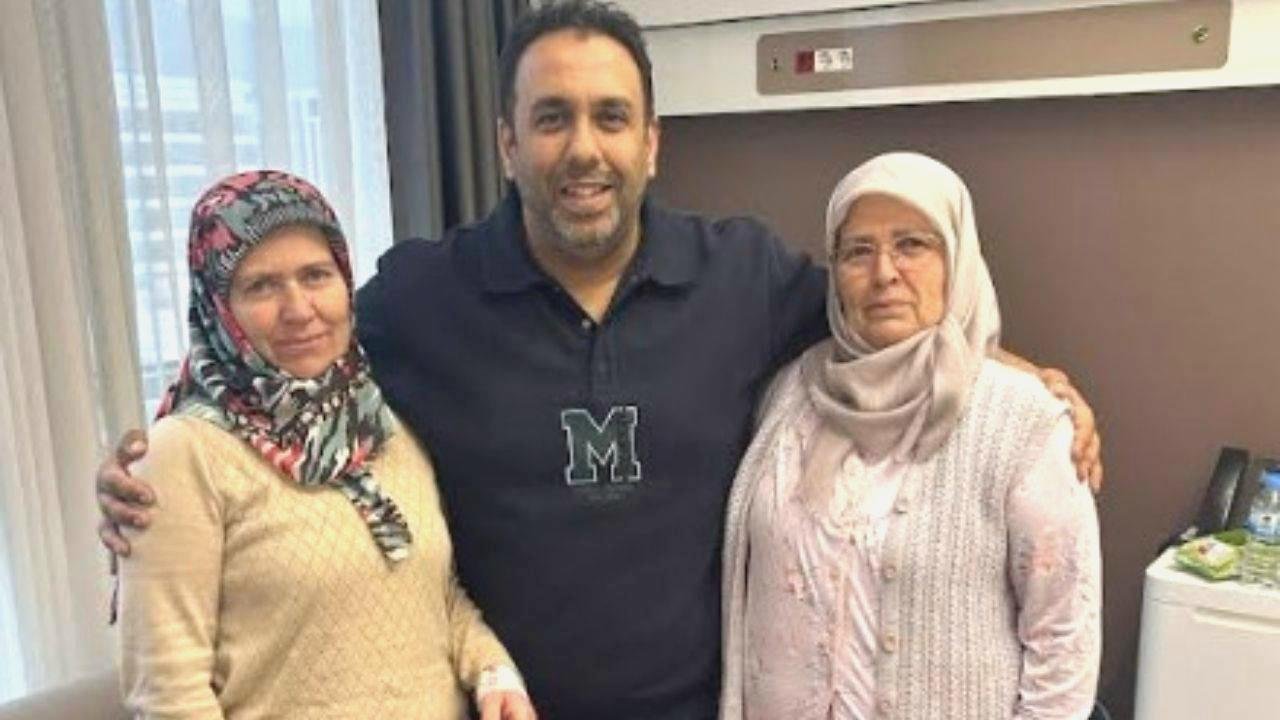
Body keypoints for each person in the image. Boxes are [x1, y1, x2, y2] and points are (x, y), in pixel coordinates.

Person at [98, 3, 1102, 718]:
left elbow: (889, 322)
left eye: (610, 117)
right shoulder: (421, 298)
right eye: (552, 118)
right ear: (507, 142)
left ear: (651, 142)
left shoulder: (741, 277)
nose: (584, 147)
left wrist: (1028, 384)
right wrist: (151, 470)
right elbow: (282, 359)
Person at [114, 170, 535, 720]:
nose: (298, 308)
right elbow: (168, 693)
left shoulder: (385, 426)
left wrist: (494, 673)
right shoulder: (183, 454)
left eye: (316, 275)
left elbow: (437, 598)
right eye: (261, 286)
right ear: (218, 306)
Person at [720, 152, 1102, 720]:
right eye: (858, 251)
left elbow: (1063, 642)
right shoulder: (789, 395)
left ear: (958, 259)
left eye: (912, 245)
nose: (884, 273)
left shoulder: (1021, 421)